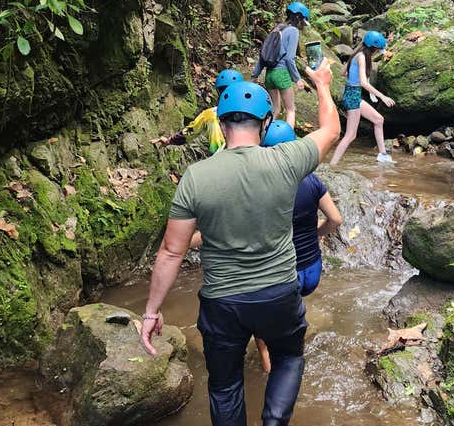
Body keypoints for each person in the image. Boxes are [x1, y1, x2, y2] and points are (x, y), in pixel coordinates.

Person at [140, 60, 340, 426]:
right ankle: (274, 421)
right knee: (289, 358)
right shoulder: (287, 160)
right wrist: (323, 84)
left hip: (222, 303)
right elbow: (331, 129)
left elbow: (172, 250)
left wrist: (152, 310)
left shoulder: (196, 177)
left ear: (221, 122)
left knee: (225, 386)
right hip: (278, 294)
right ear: (266, 123)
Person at [253, 120, 343, 373]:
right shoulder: (311, 181)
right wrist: (315, 235)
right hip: (311, 272)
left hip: (284, 274)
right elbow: (335, 219)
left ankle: (267, 363)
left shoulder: (261, 187)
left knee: (261, 317)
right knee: (291, 307)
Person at [329, 30, 396, 165]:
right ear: (374, 47)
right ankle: (332, 164)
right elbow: (364, 83)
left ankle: (382, 154)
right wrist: (382, 96)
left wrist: (354, 74)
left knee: (378, 120)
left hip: (352, 95)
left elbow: (343, 72)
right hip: (353, 96)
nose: (378, 52)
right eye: (378, 50)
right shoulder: (361, 57)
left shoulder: (357, 54)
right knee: (350, 135)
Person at [150, 69, 244, 153]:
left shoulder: (209, 114)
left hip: (219, 162)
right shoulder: (251, 113)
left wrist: (168, 141)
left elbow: (189, 132)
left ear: (218, 92)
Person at [253, 1, 310, 129]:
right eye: (303, 22)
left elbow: (264, 53)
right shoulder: (293, 31)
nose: (303, 26)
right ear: (298, 17)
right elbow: (290, 58)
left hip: (269, 75)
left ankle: (263, 135)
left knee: (276, 110)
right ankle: (289, 141)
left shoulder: (277, 28)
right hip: (281, 74)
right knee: (291, 109)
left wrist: (255, 74)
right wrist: (297, 79)